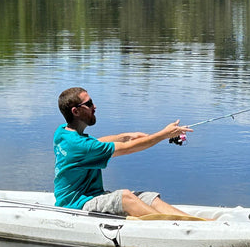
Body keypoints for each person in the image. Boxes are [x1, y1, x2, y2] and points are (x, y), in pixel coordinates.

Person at [53, 87, 194, 218]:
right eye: (89, 104)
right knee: (125, 197)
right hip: (75, 204)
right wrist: (163, 134)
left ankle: (199, 223)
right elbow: (127, 148)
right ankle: (173, 228)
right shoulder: (82, 146)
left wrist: (127, 136)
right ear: (75, 111)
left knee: (149, 198)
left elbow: (97, 143)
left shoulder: (63, 132)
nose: (94, 107)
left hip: (91, 196)